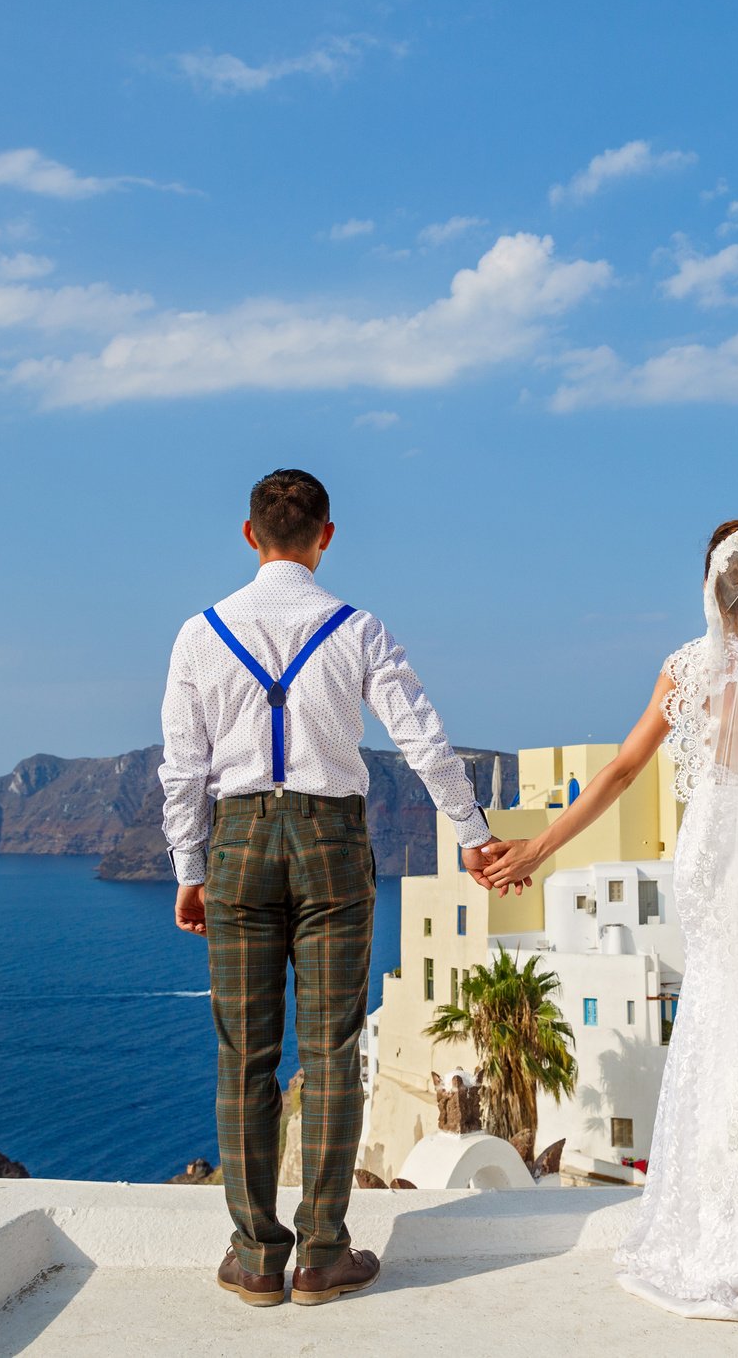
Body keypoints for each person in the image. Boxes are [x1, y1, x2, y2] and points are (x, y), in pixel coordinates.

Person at [477, 520, 738, 1320]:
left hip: (708, 851)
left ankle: (708, 1214)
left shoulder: (684, 670)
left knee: (715, 1019)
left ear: (709, 589)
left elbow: (622, 770)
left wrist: (540, 849)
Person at [160, 469, 500, 1309]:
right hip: (331, 845)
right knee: (332, 1050)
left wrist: (188, 870)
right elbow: (421, 737)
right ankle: (321, 1254)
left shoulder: (199, 634)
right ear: (326, 535)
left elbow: (183, 769)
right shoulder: (358, 629)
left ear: (249, 536)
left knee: (245, 1056)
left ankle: (254, 1257)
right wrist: (473, 835)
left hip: (237, 842)